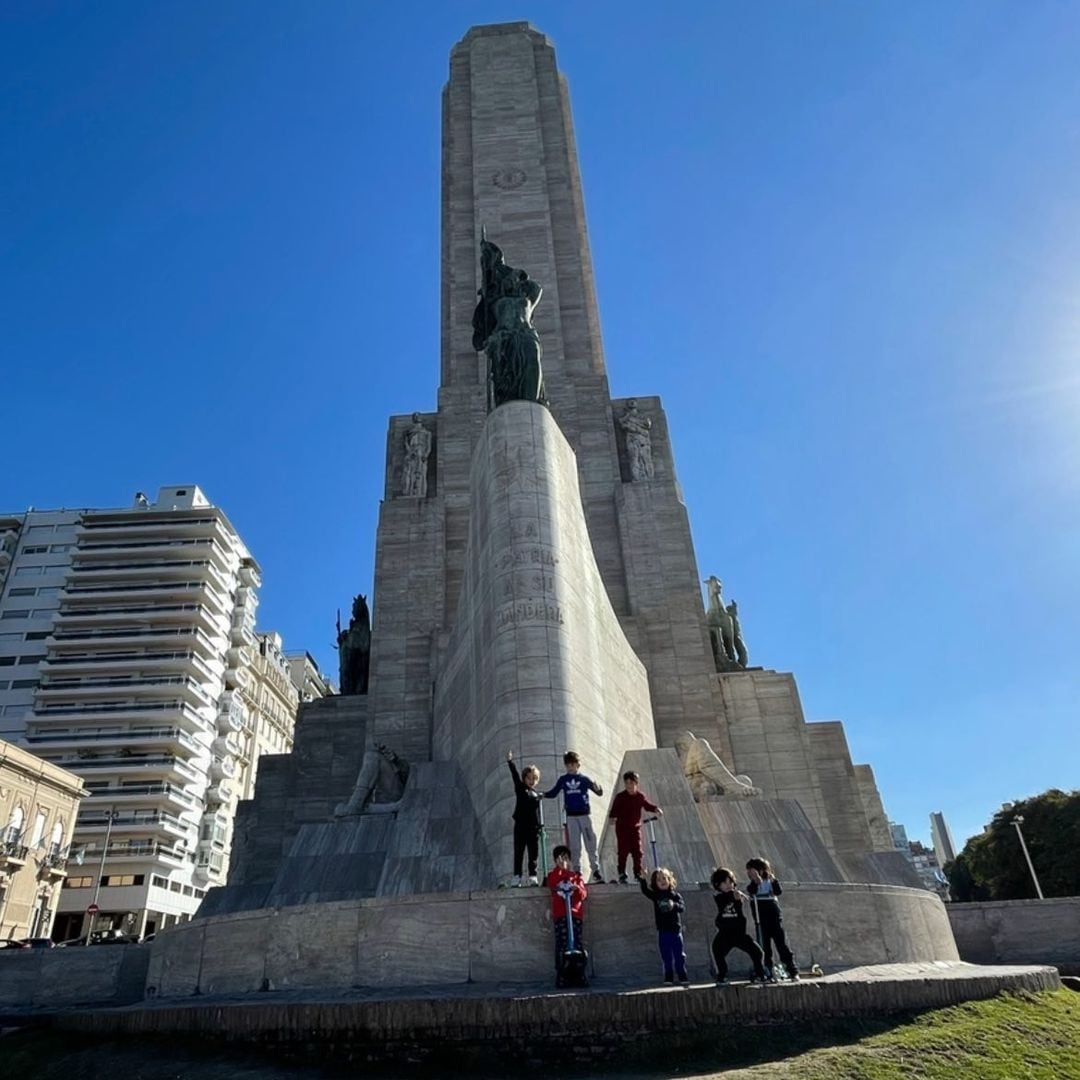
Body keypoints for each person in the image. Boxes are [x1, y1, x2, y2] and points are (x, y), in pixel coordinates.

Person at [543, 751, 605, 883]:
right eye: (568, 765)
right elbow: (553, 793)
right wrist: (542, 794)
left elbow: (598, 792)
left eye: (573, 764)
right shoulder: (563, 779)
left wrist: (599, 788)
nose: (570, 767)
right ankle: (576, 871)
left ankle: (596, 870)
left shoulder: (584, 779)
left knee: (590, 842)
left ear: (578, 765)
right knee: (575, 845)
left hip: (584, 815)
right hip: (571, 817)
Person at [710, 867, 767, 985]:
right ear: (718, 885)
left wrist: (738, 898)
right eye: (724, 882)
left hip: (739, 934)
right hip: (725, 934)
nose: (728, 885)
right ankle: (722, 975)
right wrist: (735, 896)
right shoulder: (719, 897)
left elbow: (738, 903)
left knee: (758, 952)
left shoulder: (737, 896)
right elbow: (724, 899)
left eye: (730, 882)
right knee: (717, 950)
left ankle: (760, 974)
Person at [745, 857, 799, 980]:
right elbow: (751, 891)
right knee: (765, 947)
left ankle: (792, 970)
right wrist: (755, 881)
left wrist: (773, 881)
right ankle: (767, 970)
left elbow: (778, 892)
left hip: (774, 918)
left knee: (782, 945)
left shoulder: (770, 881)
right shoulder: (753, 884)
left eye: (753, 871)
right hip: (761, 920)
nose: (750, 874)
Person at [608, 771, 662, 883]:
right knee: (623, 851)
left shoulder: (640, 796)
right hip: (622, 828)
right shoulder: (620, 797)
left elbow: (647, 806)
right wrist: (612, 818)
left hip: (635, 828)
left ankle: (638, 873)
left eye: (631, 783)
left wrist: (656, 809)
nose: (629, 786)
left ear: (636, 783)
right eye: (626, 783)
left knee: (637, 851)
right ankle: (622, 873)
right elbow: (614, 810)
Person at [545, 844, 588, 982]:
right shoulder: (553, 875)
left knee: (578, 943)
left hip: (574, 915)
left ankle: (580, 973)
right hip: (561, 915)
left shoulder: (575, 877)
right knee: (562, 944)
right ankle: (561, 973)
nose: (564, 861)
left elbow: (583, 894)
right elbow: (552, 884)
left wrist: (576, 888)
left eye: (566, 858)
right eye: (560, 858)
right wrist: (559, 869)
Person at [639, 867, 689, 984]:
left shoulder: (675, 895)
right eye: (658, 879)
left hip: (676, 931)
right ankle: (668, 976)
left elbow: (682, 908)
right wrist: (642, 879)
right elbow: (646, 891)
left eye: (664, 878)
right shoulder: (656, 896)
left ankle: (682, 974)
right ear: (655, 883)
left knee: (679, 955)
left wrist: (674, 905)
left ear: (670, 880)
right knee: (666, 956)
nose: (662, 881)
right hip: (663, 931)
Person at [506, 750, 542, 886]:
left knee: (533, 853)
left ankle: (533, 876)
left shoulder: (537, 795)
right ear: (524, 778)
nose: (531, 781)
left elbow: (537, 813)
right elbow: (514, 776)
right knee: (519, 851)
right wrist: (510, 762)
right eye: (529, 778)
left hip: (532, 827)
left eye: (534, 779)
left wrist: (539, 827)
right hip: (520, 825)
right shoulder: (520, 788)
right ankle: (517, 876)